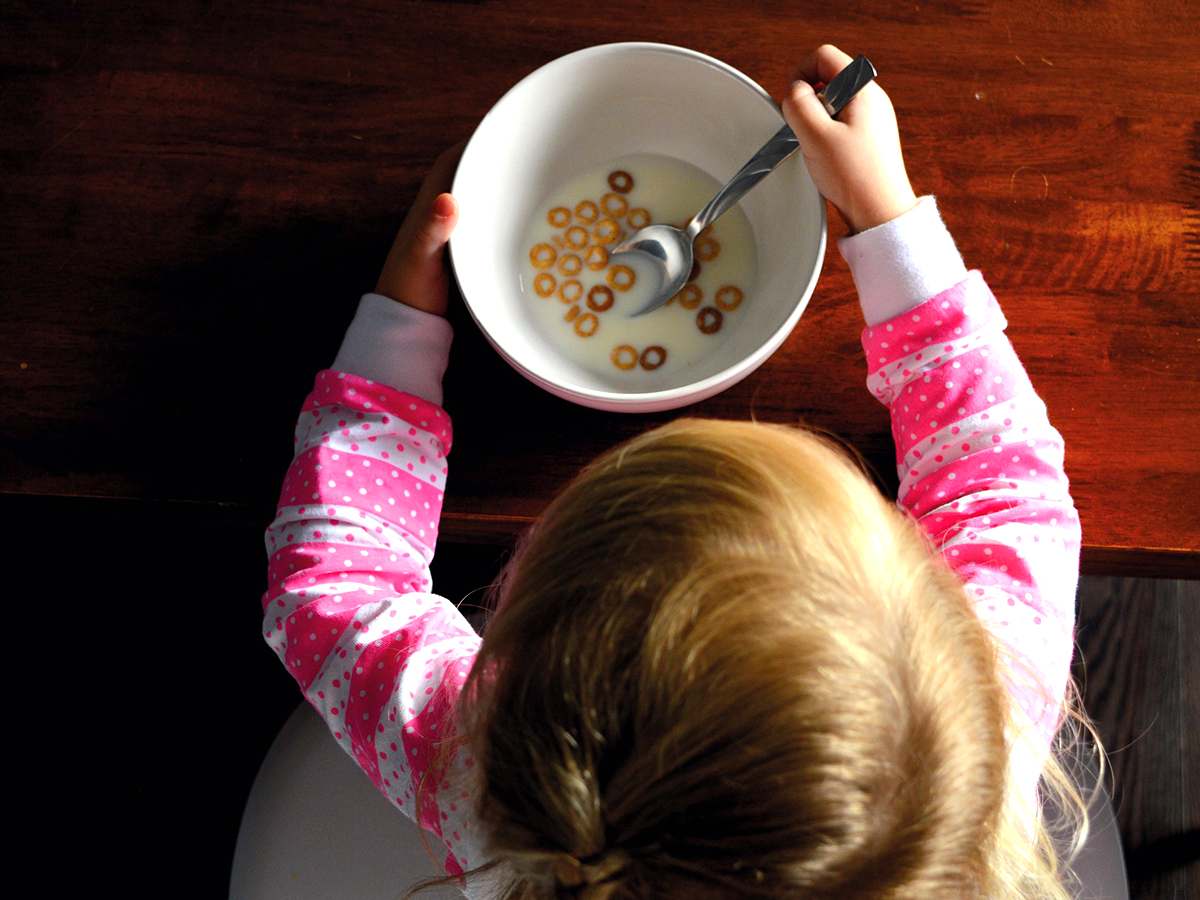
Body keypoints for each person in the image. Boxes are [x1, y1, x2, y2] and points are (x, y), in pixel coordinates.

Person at [263, 44, 1089, 900]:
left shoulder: (481, 770)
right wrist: (886, 215)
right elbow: (1000, 485)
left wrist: (398, 326)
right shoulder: (979, 731)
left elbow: (332, 587)